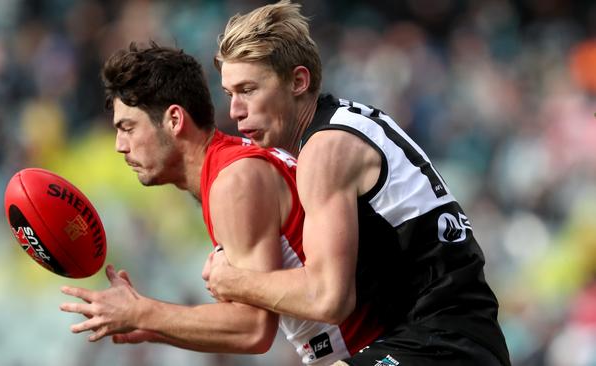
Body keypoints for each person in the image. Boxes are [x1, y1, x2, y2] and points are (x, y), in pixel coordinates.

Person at [204, 1, 512, 365]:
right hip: (448, 338)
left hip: (444, 344)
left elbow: (328, 298)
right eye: (229, 94)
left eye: (249, 89)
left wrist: (232, 280)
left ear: (298, 81)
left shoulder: (325, 149)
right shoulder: (342, 124)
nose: (235, 110)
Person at [59, 42, 382, 365]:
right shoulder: (229, 168)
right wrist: (146, 322)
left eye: (128, 128)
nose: (119, 146)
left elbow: (253, 330)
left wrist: (143, 312)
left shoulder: (234, 181)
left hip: (373, 349)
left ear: (174, 119)